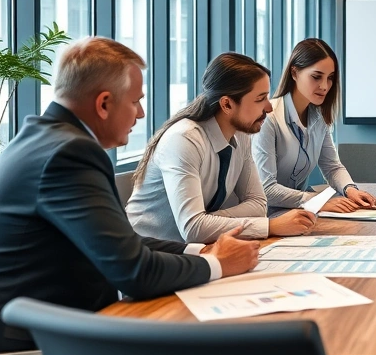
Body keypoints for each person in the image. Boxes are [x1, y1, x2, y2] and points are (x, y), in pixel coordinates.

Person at [0, 38, 260, 355]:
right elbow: (134, 272)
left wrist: (202, 250)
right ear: (103, 104)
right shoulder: (68, 155)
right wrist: (217, 264)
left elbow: (124, 243)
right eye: (136, 102)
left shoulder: (48, 140)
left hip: (49, 330)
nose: (141, 114)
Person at [126, 52, 317, 244]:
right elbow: (193, 228)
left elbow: (258, 204)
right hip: (147, 255)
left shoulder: (241, 135)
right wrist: (270, 226)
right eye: (260, 99)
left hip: (196, 250)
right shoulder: (184, 140)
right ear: (227, 104)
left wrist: (210, 221)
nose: (269, 108)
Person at [253, 38, 376, 213]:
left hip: (298, 213)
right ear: (294, 73)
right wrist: (316, 201)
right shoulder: (270, 118)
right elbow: (266, 189)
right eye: (316, 77)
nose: (324, 86)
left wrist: (350, 190)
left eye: (330, 78)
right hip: (264, 218)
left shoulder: (318, 118)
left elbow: (332, 166)